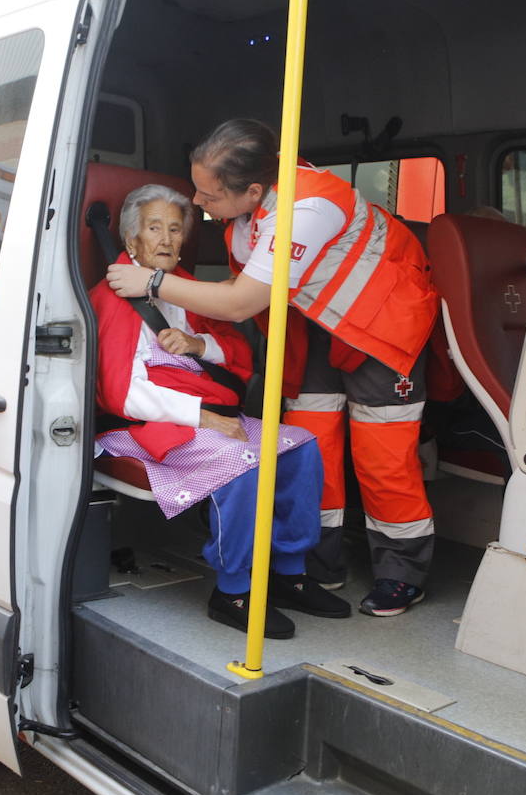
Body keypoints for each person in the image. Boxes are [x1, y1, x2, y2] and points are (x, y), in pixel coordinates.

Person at [105, 120, 439, 617]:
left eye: (206, 194)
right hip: (315, 331)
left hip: (383, 327)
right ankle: (310, 563)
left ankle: (401, 572)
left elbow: (239, 304)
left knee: (383, 457)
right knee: (313, 444)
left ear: (253, 190)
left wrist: (153, 284)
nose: (197, 204)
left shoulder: (307, 208)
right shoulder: (243, 217)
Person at [92, 184, 346, 638]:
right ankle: (232, 589)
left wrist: (197, 344)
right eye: (154, 228)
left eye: (175, 229)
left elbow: (232, 349)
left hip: (197, 413)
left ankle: (288, 571)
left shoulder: (184, 285)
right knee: (243, 462)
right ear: (132, 241)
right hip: (144, 425)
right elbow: (121, 395)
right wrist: (205, 418)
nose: (167, 239)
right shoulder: (114, 296)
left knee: (301, 447)